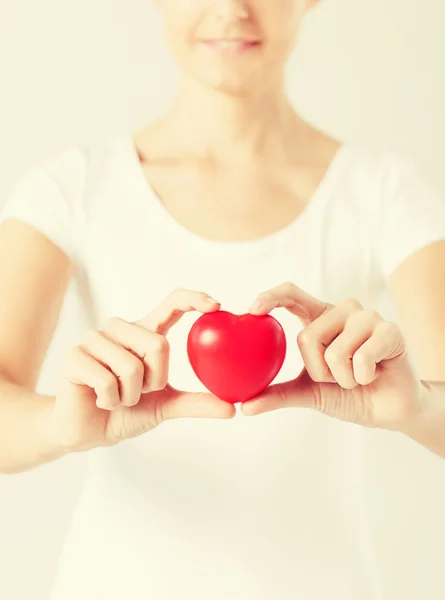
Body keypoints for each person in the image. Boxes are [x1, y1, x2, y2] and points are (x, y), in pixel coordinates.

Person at [0, 0, 444, 599]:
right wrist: (57, 424)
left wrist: (418, 406)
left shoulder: (384, 192)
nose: (231, 9)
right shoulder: (71, 188)